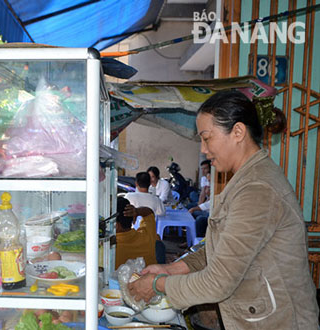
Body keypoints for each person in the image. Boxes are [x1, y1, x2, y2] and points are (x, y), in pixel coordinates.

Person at [128, 90, 318, 329]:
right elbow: (219, 251)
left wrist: (157, 284)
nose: (204, 150)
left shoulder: (257, 189)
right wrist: (171, 268)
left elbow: (218, 281)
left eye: (207, 138)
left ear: (238, 132)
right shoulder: (244, 180)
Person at [115, 197, 157, 269]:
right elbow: (149, 212)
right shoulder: (146, 236)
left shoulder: (108, 247)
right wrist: (137, 211)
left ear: (116, 225)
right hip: (149, 278)